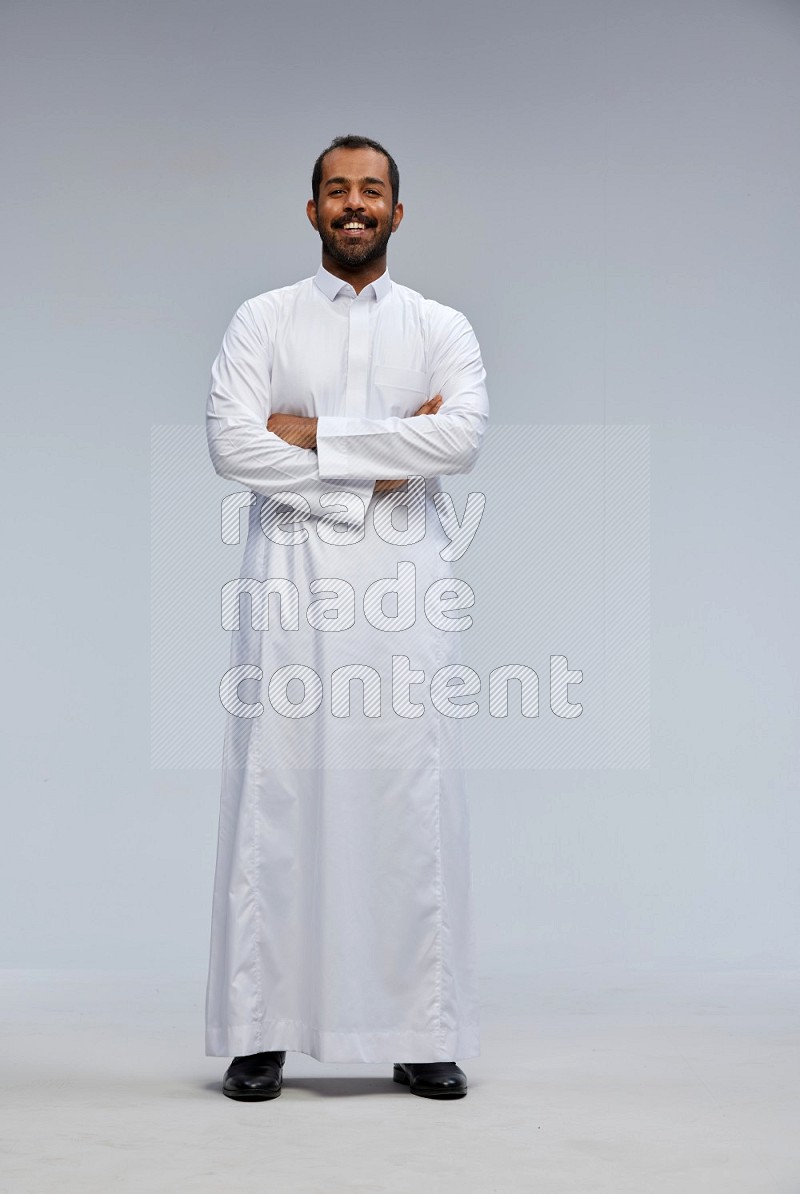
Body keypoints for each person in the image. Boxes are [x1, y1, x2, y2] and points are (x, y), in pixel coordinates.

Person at [204, 134, 490, 1101]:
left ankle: (421, 1030)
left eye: (372, 191)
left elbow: (461, 437)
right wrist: (375, 468)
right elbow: (232, 446)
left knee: (406, 791)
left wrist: (318, 435)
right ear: (313, 208)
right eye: (337, 190)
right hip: (288, 583)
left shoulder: (440, 325)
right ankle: (261, 1029)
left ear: (398, 213)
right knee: (278, 795)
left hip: (405, 584)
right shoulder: (264, 320)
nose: (354, 204)